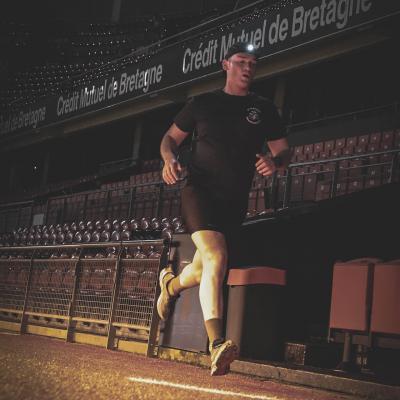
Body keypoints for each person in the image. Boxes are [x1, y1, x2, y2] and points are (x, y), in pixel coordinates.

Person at [158, 42, 291, 376]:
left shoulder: (263, 108)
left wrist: (275, 162)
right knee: (216, 256)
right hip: (199, 191)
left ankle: (170, 286)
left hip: (234, 202)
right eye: (241, 61)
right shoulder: (202, 103)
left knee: (204, 267)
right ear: (225, 65)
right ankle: (217, 343)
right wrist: (169, 158)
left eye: (253, 63)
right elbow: (169, 138)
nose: (248, 67)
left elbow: (284, 151)